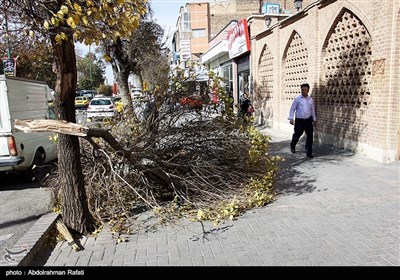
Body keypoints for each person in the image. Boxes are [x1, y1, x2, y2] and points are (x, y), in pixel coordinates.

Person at [288, 83, 316, 158]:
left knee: (310, 136)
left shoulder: (310, 100)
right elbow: (292, 109)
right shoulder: (297, 99)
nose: (304, 91)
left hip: (308, 120)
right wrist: (291, 118)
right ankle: (292, 145)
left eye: (305, 90)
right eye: (303, 90)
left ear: (308, 90)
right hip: (299, 120)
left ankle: (308, 152)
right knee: (297, 135)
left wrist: (314, 119)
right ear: (301, 90)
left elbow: (312, 110)